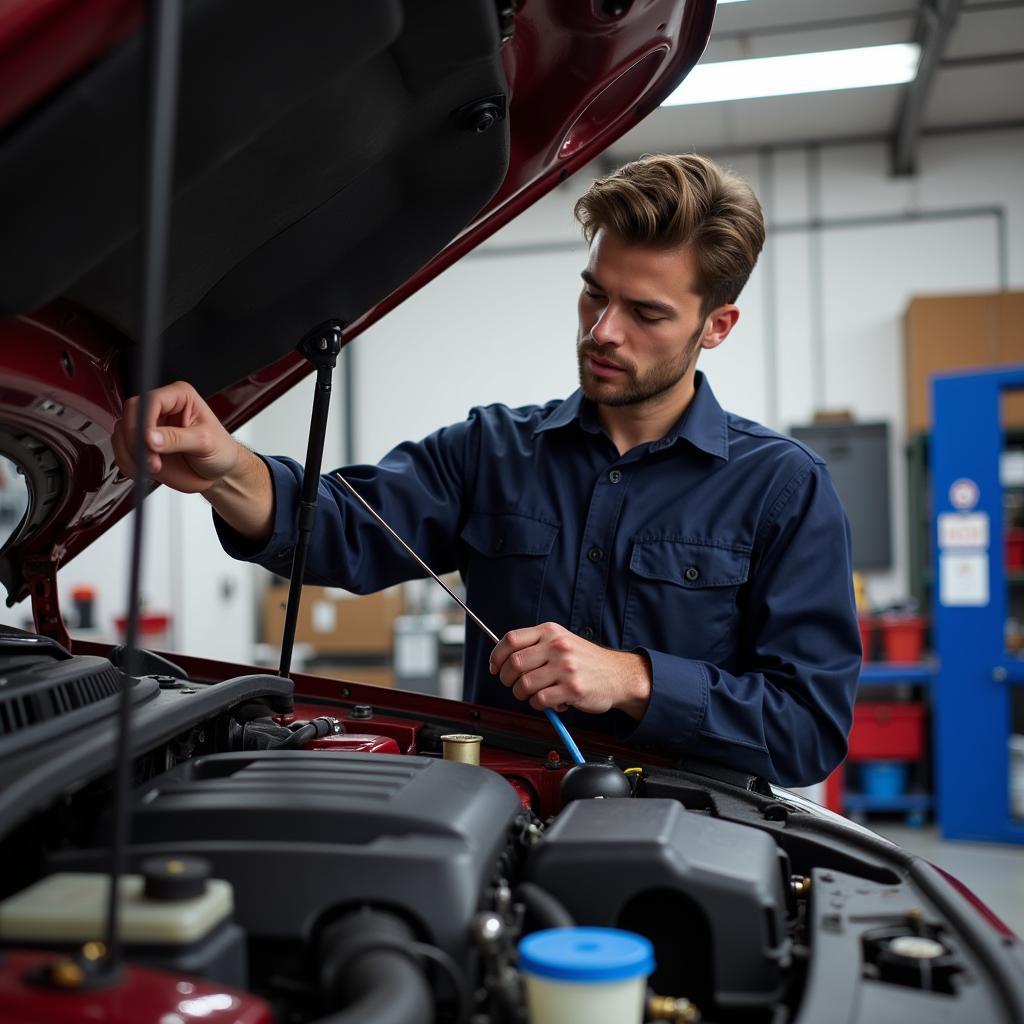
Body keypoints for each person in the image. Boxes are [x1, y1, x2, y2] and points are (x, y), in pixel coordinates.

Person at [112, 154, 859, 787]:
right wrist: (224, 468)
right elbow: (347, 527)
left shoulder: (782, 490)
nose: (602, 331)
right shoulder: (492, 449)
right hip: (500, 822)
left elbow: (806, 731)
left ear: (715, 326)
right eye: (594, 293)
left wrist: (633, 678)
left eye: (646, 313)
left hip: (693, 840)